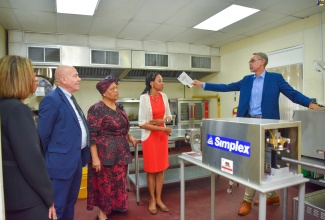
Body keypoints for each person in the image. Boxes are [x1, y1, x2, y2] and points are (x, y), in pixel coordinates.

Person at [192, 52, 320, 216]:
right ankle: (258, 198)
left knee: (271, 163)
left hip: (270, 126)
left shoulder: (275, 79)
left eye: (252, 60)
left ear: (262, 62)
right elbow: (226, 87)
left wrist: (310, 103)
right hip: (249, 124)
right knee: (251, 161)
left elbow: (292, 93)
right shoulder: (246, 80)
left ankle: (259, 197)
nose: (250, 63)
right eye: (249, 61)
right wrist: (202, 84)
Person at [0, 55, 56, 220]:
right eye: (31, 73)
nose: (35, 77)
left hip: (11, 197)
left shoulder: (5, 107)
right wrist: (49, 197)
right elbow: (30, 160)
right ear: (19, 78)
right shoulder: (18, 110)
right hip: (26, 199)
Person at [37, 65, 90, 220]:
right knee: (57, 208)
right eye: (75, 75)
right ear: (63, 79)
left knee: (69, 204)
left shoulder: (70, 99)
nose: (79, 79)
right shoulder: (51, 100)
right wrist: (48, 162)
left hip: (75, 161)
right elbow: (42, 136)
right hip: (60, 165)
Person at [86, 75, 137, 220]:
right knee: (104, 184)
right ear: (104, 93)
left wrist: (130, 136)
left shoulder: (119, 107)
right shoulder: (96, 109)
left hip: (121, 152)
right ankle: (102, 214)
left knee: (119, 181)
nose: (116, 91)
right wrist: (95, 158)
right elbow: (92, 135)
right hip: (105, 154)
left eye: (116, 88)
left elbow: (122, 128)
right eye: (112, 89)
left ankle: (115, 205)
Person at [138, 73, 173, 215]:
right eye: (160, 81)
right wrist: (162, 128)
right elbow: (142, 123)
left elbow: (169, 117)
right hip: (150, 138)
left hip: (161, 138)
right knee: (152, 170)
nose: (162, 83)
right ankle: (152, 200)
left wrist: (162, 120)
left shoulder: (164, 96)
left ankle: (159, 199)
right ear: (152, 83)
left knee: (161, 169)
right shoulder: (144, 98)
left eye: (162, 81)